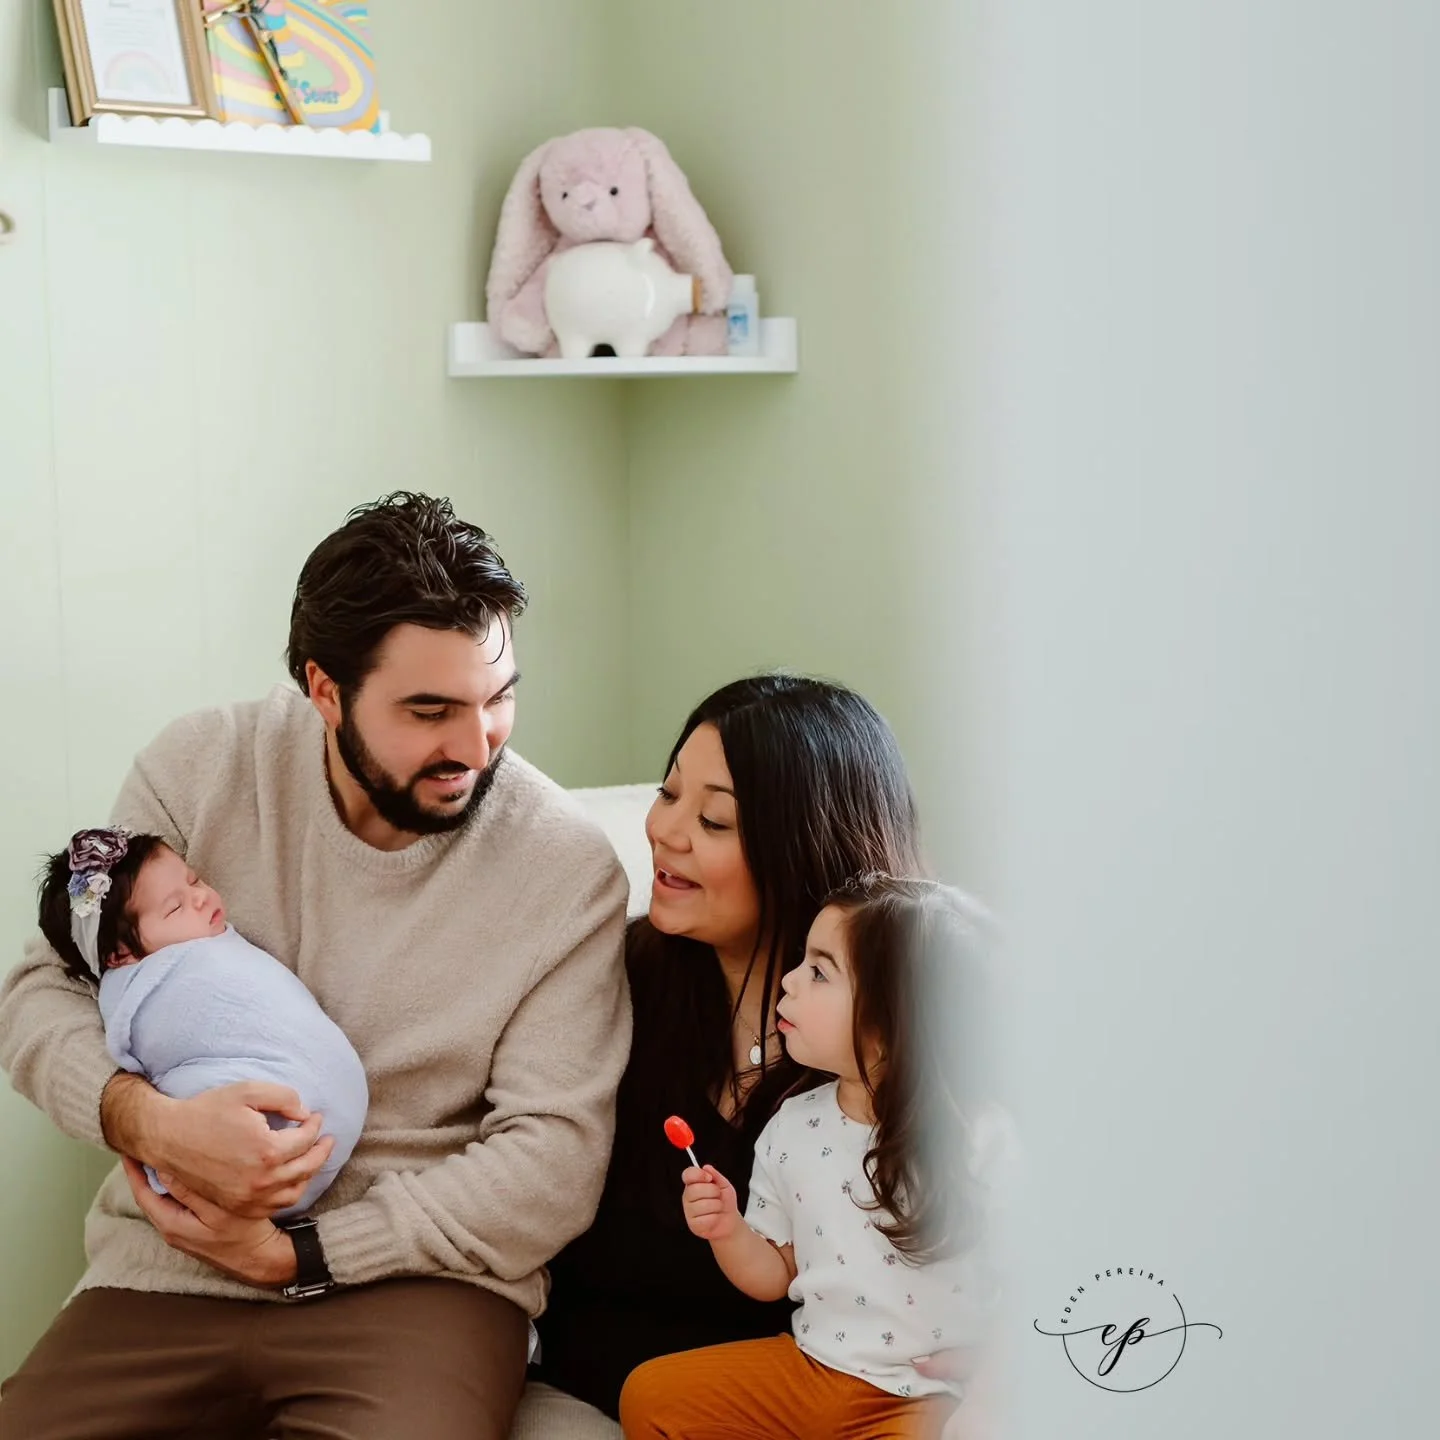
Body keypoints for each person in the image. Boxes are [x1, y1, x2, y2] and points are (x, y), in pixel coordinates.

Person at [0, 492, 631, 1440]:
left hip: (417, 1288)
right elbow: (41, 990)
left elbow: (554, 1157)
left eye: (497, 699)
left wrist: (307, 1250)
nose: (474, 746)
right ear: (323, 689)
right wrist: (153, 1123)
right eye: (429, 710)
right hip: (168, 1271)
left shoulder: (567, 870)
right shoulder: (195, 767)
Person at [518, 674, 926, 1437]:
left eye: (713, 819)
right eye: (669, 794)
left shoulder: (907, 1047)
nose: (665, 832)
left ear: (803, 842)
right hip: (621, 1388)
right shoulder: (611, 981)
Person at [618, 875, 1005, 1440]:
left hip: (918, 1399)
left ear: (894, 1021)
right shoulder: (793, 1125)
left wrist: (995, 1379)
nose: (790, 982)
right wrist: (726, 1229)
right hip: (809, 1373)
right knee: (649, 1397)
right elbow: (776, 1274)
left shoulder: (980, 1140)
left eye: (820, 972)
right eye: (802, 961)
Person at [35, 827, 368, 1217]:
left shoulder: (204, 941)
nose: (201, 896)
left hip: (309, 1135)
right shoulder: (147, 986)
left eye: (195, 880)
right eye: (175, 908)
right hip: (262, 1149)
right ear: (120, 955)